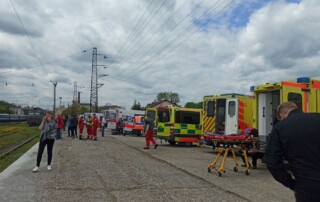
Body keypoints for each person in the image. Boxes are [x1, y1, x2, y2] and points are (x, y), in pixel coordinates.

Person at [266, 102, 320, 201]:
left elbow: (272, 163)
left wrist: (292, 184)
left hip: (307, 188)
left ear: (281, 114)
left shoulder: (280, 127)